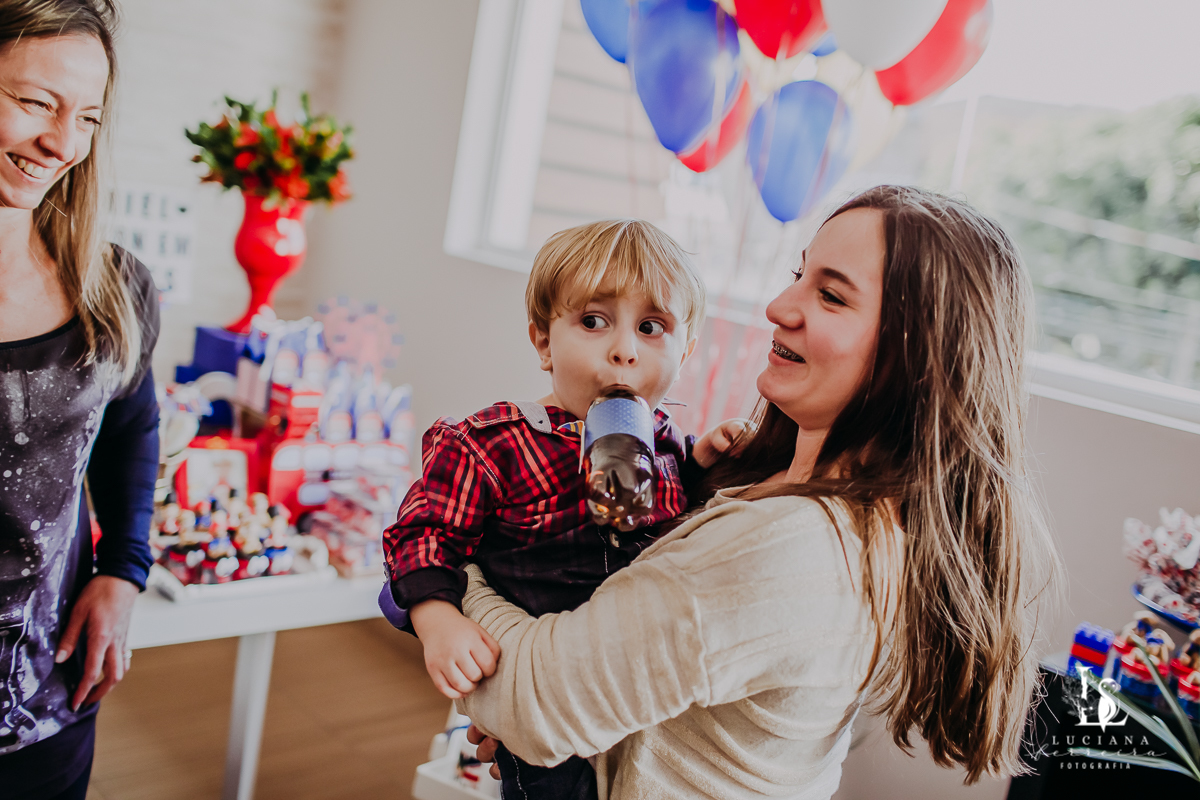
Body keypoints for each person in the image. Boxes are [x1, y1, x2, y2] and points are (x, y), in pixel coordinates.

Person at [458, 186, 1063, 799]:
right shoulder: (798, 491)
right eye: (798, 275)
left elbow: (535, 703)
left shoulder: (792, 549)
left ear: (917, 355)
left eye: (830, 295)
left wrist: (456, 581)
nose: (779, 306)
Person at [382, 219, 746, 799]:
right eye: (594, 322)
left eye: (652, 328)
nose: (624, 350)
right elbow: (420, 534)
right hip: (544, 700)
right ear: (545, 342)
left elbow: (670, 517)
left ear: (687, 350)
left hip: (630, 692)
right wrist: (437, 619)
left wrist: (705, 462)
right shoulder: (489, 445)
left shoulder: (664, 439)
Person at [0, 2, 160, 798]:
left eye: (87, 116)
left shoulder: (114, 286)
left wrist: (123, 570)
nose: (62, 144)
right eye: (33, 103)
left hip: (44, 705)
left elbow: (131, 429)